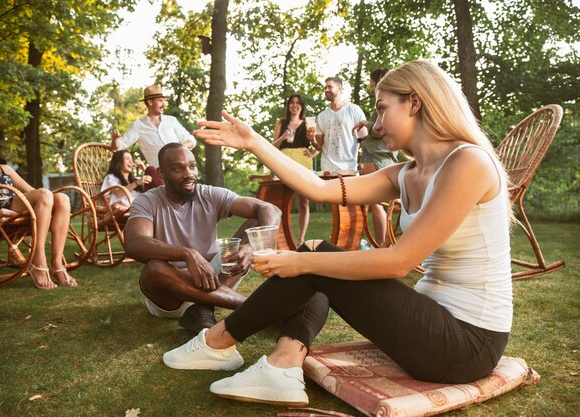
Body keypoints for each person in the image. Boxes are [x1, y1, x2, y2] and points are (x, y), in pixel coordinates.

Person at [163, 60, 513, 410]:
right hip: (432, 326)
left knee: (312, 259)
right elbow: (318, 188)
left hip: (468, 345)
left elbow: (399, 262)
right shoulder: (405, 173)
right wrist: (254, 142)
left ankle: (217, 342)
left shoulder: (469, 163)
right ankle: (281, 365)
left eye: (381, 109)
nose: (375, 125)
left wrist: (300, 262)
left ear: (415, 102)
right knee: (315, 256)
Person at [123, 143, 281, 334]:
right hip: (171, 293)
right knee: (153, 269)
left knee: (255, 223)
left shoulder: (209, 194)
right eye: (178, 168)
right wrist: (187, 254)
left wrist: (251, 246)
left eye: (192, 166)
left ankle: (201, 309)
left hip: (213, 278)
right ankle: (266, 310)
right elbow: (134, 243)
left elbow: (269, 209)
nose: (189, 174)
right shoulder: (147, 201)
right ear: (161, 173)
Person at [0, 130, 79, 289]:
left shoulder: (4, 168)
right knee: (45, 195)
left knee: (62, 198)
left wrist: (51, 203)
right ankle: (37, 258)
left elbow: (31, 190)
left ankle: (56, 263)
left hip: (12, 203)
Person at [110, 85, 196, 189]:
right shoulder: (138, 126)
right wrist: (115, 139)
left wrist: (180, 149)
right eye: (160, 100)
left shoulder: (171, 121)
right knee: (150, 171)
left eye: (163, 101)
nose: (164, 104)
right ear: (150, 102)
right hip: (159, 178)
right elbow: (118, 147)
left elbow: (191, 140)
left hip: (180, 174)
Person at [352, 68, 400, 247]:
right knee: (381, 205)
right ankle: (384, 243)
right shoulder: (391, 103)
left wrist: (366, 124)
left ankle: (380, 244)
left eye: (372, 83)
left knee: (375, 204)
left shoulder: (382, 104)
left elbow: (379, 130)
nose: (370, 87)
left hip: (375, 159)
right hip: (384, 158)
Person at [272, 93, 318, 246]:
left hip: (302, 162)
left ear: (302, 106)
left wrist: (312, 153)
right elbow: (273, 147)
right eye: (292, 102)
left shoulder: (307, 123)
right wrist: (283, 137)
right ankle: (280, 237)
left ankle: (301, 239)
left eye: (298, 103)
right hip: (284, 161)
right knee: (282, 200)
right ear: (288, 105)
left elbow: (318, 143)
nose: (295, 105)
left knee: (303, 200)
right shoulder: (281, 122)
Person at [308, 76, 366, 174]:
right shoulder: (322, 116)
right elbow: (319, 147)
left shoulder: (354, 110)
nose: (326, 90)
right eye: (325, 88)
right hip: (327, 169)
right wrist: (311, 139)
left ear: (339, 88)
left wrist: (363, 161)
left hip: (349, 167)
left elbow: (364, 139)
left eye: (329, 87)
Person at [101, 150, 152, 216]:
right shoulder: (111, 177)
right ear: (118, 161)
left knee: (151, 169)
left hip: (138, 208)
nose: (131, 161)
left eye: (131, 159)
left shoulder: (134, 180)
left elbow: (153, 187)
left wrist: (145, 169)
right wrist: (137, 183)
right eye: (127, 158)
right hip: (122, 210)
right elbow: (118, 192)